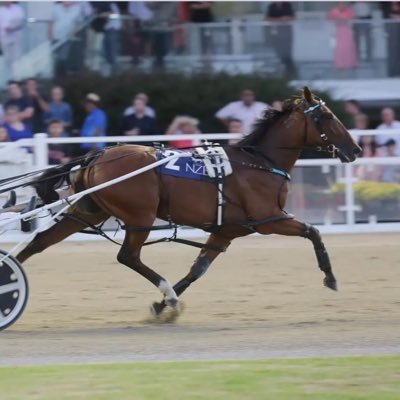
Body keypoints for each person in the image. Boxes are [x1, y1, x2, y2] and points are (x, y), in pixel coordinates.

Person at [266, 2, 296, 77]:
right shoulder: (272, 6)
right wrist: (280, 20)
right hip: (276, 32)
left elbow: (293, 17)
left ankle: (290, 71)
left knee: (287, 51)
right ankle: (280, 67)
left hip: (286, 32)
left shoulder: (287, 5)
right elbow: (268, 18)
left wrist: (286, 19)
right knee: (278, 50)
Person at [327, 2, 358, 75]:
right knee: (339, 48)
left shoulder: (349, 11)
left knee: (349, 47)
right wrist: (336, 20)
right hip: (338, 30)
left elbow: (354, 18)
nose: (342, 5)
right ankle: (340, 65)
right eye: (340, 3)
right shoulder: (334, 11)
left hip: (347, 30)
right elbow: (329, 18)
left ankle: (350, 63)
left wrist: (347, 20)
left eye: (343, 3)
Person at [0, 1, 25, 78]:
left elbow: (21, 22)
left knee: (17, 59)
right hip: (4, 37)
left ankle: (17, 78)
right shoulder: (1, 10)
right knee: (7, 59)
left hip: (16, 36)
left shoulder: (18, 9)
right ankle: (8, 79)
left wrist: (12, 28)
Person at [382, 2, 400, 77]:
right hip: (392, 33)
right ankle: (393, 72)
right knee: (392, 53)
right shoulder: (387, 9)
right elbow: (386, 17)